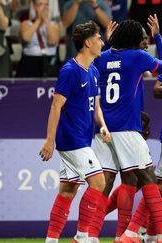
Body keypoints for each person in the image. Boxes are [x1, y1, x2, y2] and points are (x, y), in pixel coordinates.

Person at [91, 18, 162, 243]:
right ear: (132, 39)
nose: (145, 40)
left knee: (109, 181)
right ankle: (161, 233)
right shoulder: (138, 57)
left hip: (102, 129)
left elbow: (96, 62)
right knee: (148, 177)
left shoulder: (100, 59)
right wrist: (158, 37)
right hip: (127, 129)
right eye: (142, 36)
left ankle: (90, 234)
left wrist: (106, 45)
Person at [39, 21, 111, 243]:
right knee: (99, 183)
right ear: (88, 43)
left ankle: (51, 240)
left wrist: (102, 124)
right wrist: (49, 141)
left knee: (68, 190)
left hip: (84, 139)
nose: (102, 42)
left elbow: (95, 105)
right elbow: (55, 106)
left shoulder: (94, 71)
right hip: (72, 139)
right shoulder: (70, 71)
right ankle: (82, 236)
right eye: (99, 38)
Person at [16, 0, 60, 77]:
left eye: (46, 5)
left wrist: (46, 20)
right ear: (34, 7)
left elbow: (52, 41)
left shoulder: (54, 25)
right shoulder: (26, 24)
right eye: (40, 4)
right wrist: (39, 20)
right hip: (30, 62)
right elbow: (26, 38)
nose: (44, 8)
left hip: (49, 62)